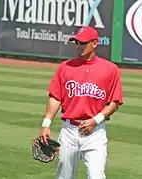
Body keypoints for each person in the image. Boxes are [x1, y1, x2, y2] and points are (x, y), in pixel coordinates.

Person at [39, 26, 123, 179]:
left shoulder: (110, 69)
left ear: (95, 43)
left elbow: (114, 102)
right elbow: (56, 97)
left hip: (95, 132)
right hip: (69, 131)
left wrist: (95, 120)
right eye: (76, 42)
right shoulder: (65, 67)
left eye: (83, 43)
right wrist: (46, 124)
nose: (79, 46)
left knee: (96, 176)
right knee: (65, 177)